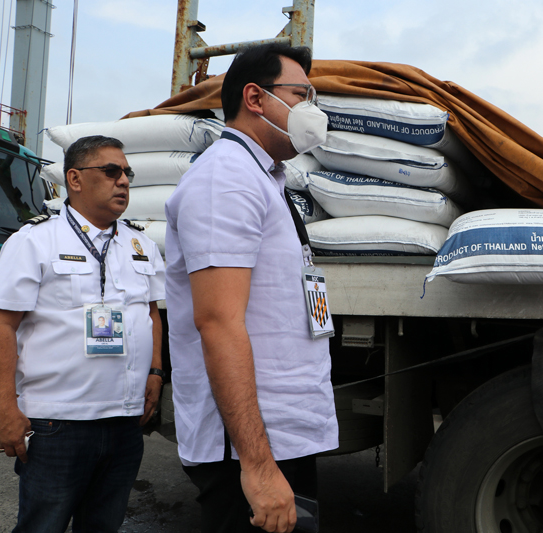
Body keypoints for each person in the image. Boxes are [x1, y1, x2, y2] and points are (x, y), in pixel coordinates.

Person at [164, 42, 337, 533]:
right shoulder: (226, 180)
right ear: (256, 98)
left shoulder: (268, 179)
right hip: (246, 450)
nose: (311, 109)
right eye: (301, 94)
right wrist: (258, 467)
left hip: (279, 436)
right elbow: (218, 323)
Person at [0, 135, 166, 533]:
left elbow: (152, 313)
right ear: (74, 178)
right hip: (58, 424)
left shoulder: (140, 244)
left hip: (124, 424)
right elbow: (2, 324)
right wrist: (3, 408)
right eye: (110, 171)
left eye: (127, 173)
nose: (123, 180)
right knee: (43, 526)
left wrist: (156, 372)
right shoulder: (35, 241)